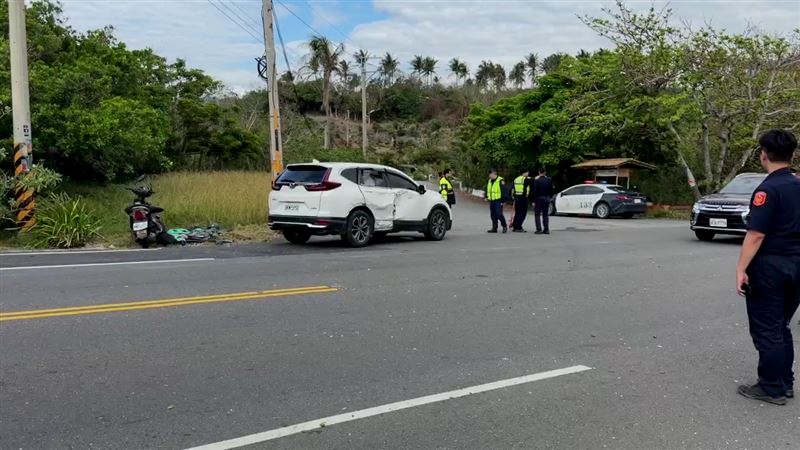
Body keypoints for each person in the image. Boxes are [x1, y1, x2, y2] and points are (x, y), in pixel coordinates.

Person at [735, 129, 800, 406]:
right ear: (791, 154)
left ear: (764, 155)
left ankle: (771, 386)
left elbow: (756, 234)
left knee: (768, 328)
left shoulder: (767, 190)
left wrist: (741, 268)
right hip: (797, 265)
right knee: (781, 325)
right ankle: (785, 382)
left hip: (771, 266)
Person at [532, 168, 553, 235]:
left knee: (537, 214)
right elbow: (551, 190)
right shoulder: (549, 180)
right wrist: (550, 197)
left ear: (539, 172)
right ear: (545, 172)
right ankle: (546, 229)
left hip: (539, 198)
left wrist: (533, 200)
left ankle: (539, 229)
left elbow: (534, 191)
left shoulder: (537, 181)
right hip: (546, 198)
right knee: (545, 214)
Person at [486, 168, 507, 233]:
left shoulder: (500, 180)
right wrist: (486, 197)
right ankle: (494, 228)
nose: (489, 176)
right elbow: (488, 190)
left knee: (499, 214)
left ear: (493, 173)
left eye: (490, 174)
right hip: (492, 200)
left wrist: (503, 201)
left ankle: (504, 226)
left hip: (498, 200)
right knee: (493, 215)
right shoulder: (490, 181)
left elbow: (504, 191)